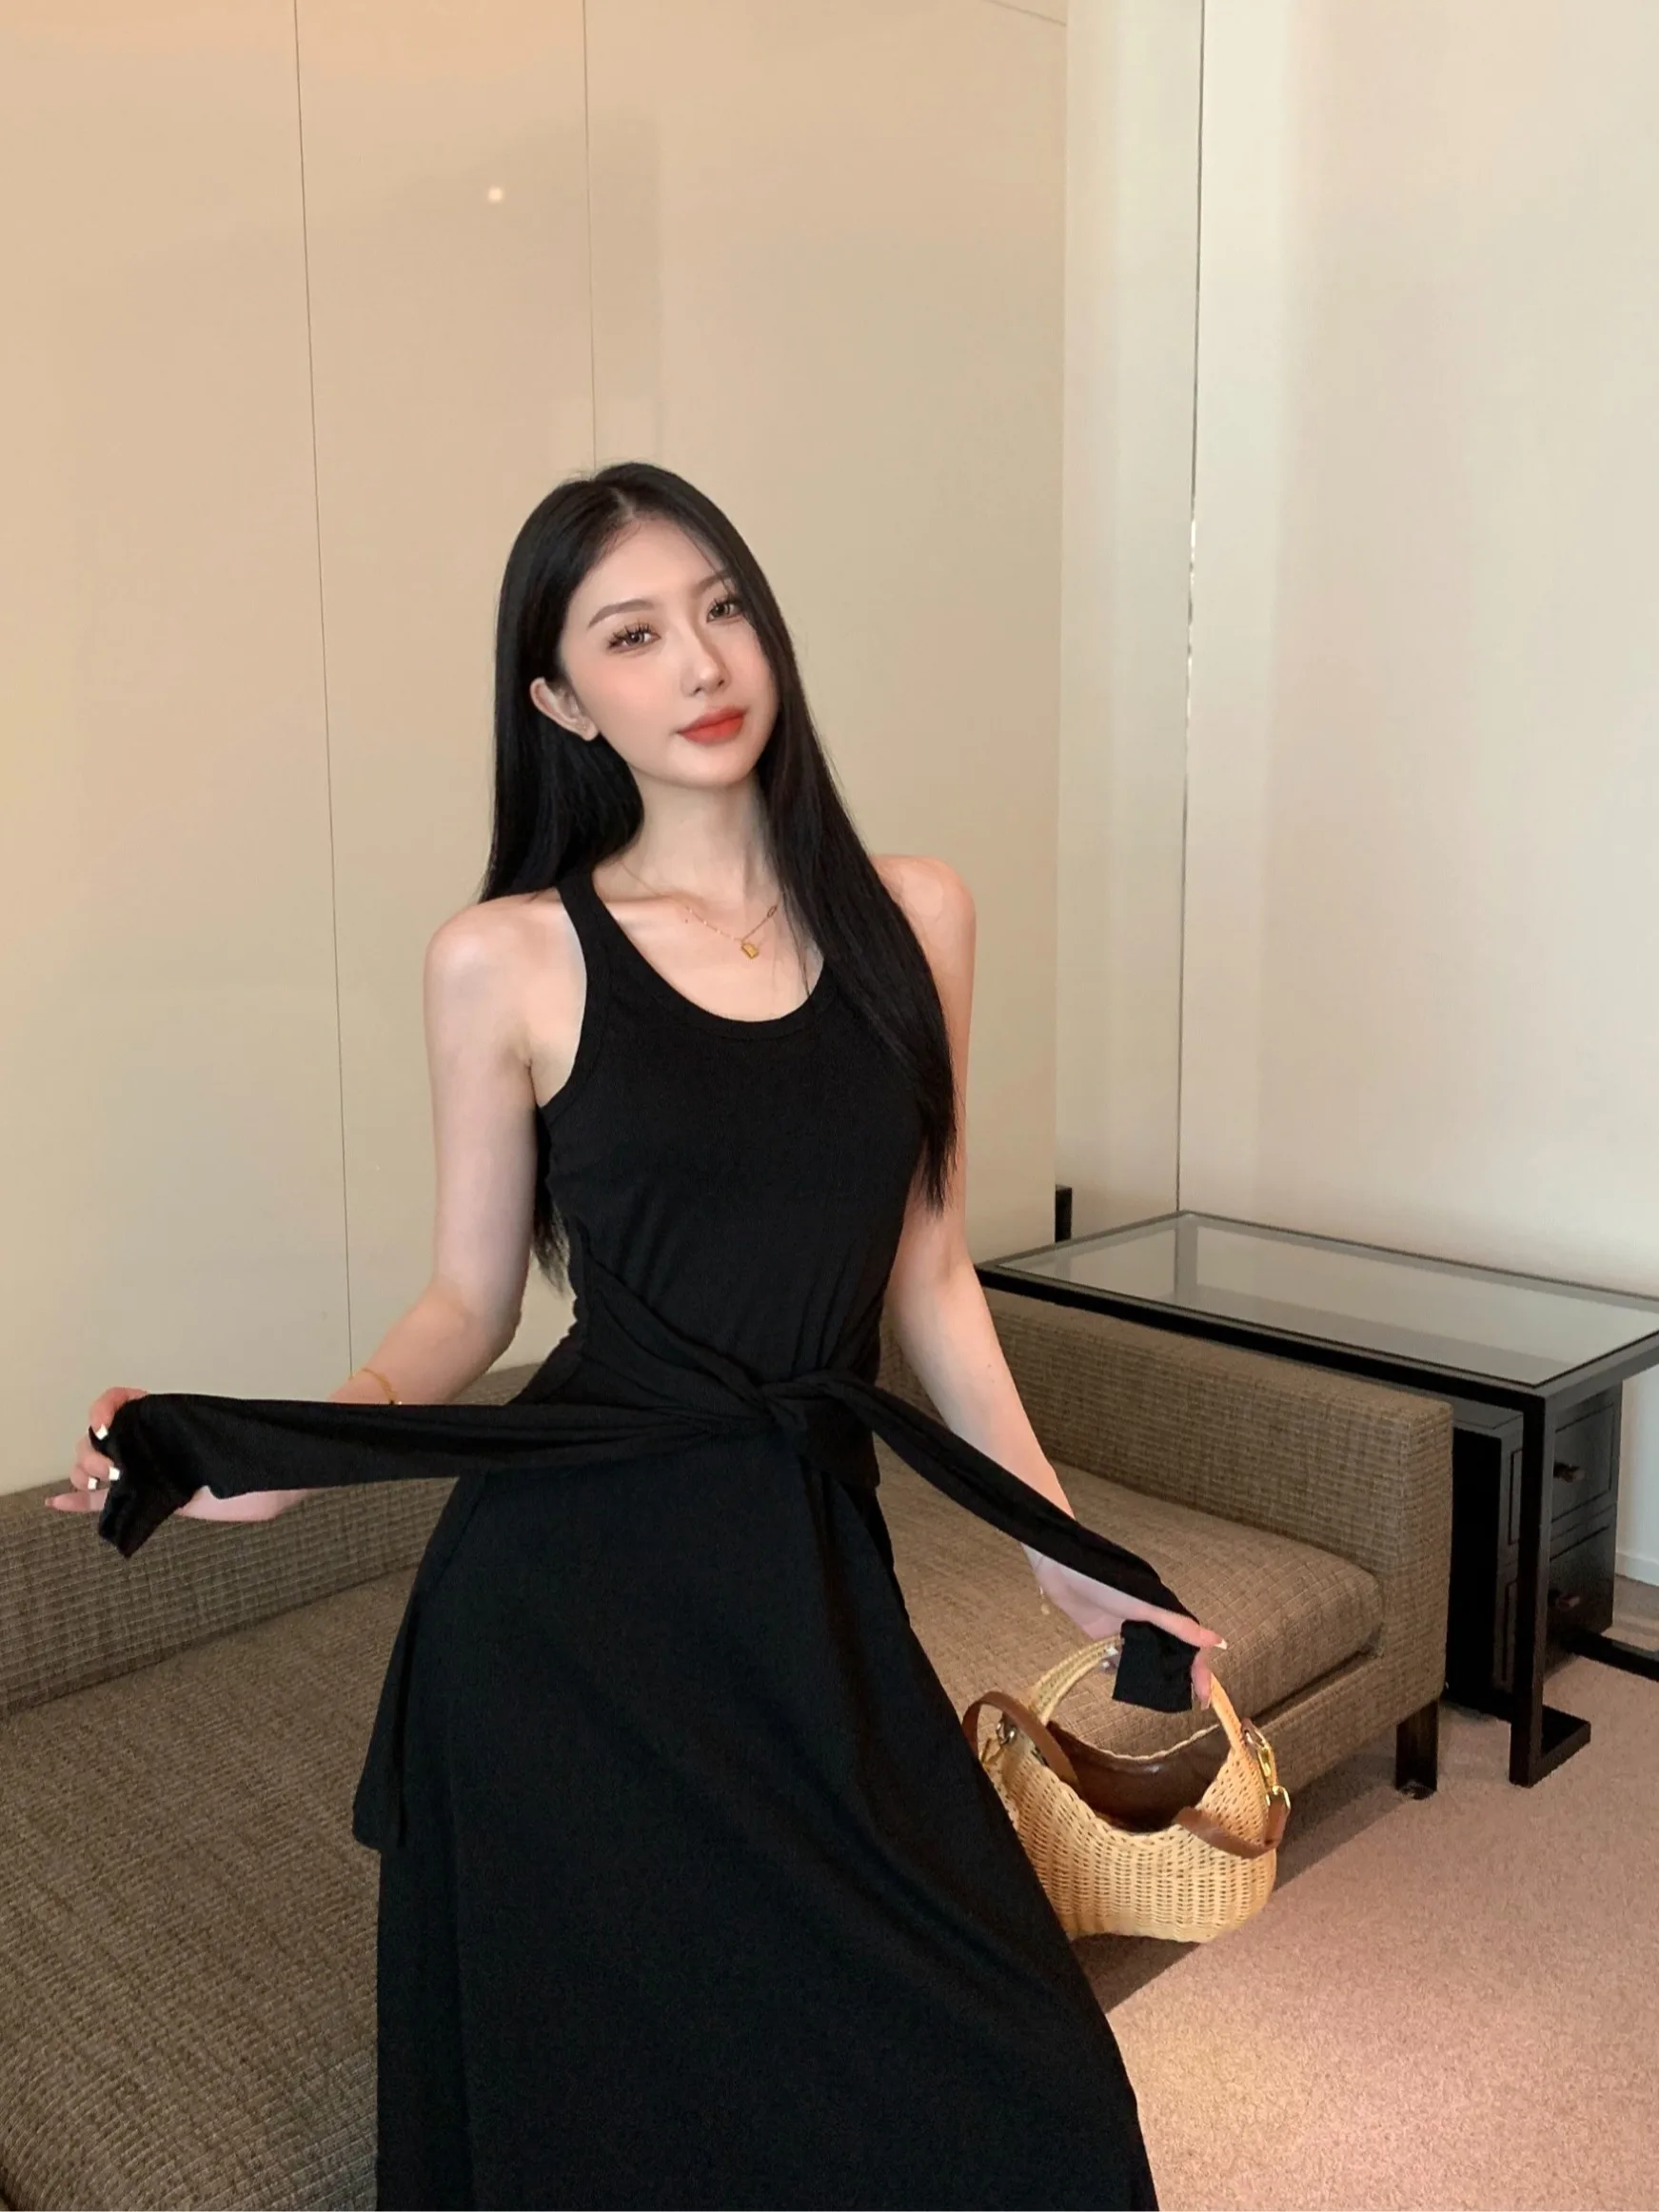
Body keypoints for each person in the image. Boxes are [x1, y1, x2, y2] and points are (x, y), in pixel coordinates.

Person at [56, 460, 1223, 2210]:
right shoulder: (506, 959)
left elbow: (925, 1272)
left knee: (1021, 2083)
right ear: (558, 700)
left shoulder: (916, 917)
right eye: (632, 634)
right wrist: (290, 1462)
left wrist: (1063, 1552)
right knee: (613, 2110)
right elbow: (468, 1303)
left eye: (721, 606)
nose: (699, 661)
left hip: (805, 1561)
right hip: (566, 1609)